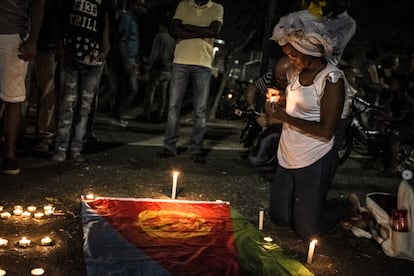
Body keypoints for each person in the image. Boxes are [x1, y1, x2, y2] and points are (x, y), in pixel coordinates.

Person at [266, 12, 360, 240]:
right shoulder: (295, 73)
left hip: (315, 157)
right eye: (288, 54)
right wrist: (276, 102)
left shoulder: (332, 80)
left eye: (293, 54)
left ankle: (346, 204)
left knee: (307, 230)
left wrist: (284, 117)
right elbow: (297, 106)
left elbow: (326, 129)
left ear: (309, 50)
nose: (291, 59)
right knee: (279, 217)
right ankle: (309, 207)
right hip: (288, 154)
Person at [156, 0, 224, 164]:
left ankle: (196, 149)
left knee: (200, 110)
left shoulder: (217, 8)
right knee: (173, 106)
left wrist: (186, 28)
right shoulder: (183, 5)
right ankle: (170, 146)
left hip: (203, 64)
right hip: (180, 62)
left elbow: (214, 31)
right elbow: (173, 30)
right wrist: (203, 32)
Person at [52, 0, 111, 162]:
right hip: (71, 50)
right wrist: (60, 44)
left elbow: (104, 19)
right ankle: (61, 147)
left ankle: (76, 147)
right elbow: (60, 14)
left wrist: (105, 46)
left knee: (85, 105)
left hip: (93, 55)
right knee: (67, 102)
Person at [0, 0, 45, 174]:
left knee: (13, 96)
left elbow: (38, 4)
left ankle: (9, 153)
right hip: (12, 32)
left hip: (13, 34)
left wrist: (32, 40)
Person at [109, 0, 147, 127]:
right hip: (125, 58)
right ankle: (117, 115)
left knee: (124, 88)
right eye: (139, 4)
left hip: (130, 58)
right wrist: (126, 61)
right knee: (131, 88)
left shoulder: (134, 20)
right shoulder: (126, 18)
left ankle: (116, 116)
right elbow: (122, 40)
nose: (141, 7)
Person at [32, 0, 57, 153]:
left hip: (47, 43)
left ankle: (44, 136)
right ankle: (42, 135)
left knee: (48, 92)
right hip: (42, 42)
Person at [142, 18, 176, 123]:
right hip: (168, 70)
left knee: (151, 92)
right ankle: (159, 115)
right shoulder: (172, 40)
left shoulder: (159, 36)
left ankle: (147, 114)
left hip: (158, 68)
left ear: (162, 26)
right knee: (163, 94)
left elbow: (154, 52)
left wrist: (149, 65)